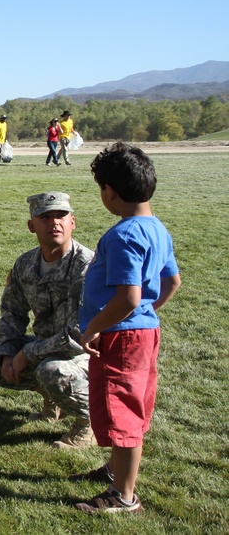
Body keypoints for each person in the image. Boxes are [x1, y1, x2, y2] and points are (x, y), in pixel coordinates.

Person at [70, 143, 181, 514]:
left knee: (123, 412)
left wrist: (94, 329)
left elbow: (129, 298)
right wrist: (146, 314)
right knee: (131, 403)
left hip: (122, 336)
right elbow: (172, 282)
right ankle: (116, 471)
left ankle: (124, 496)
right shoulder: (157, 228)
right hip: (142, 334)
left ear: (110, 192)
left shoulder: (123, 235)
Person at [0, 191, 95, 448]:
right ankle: (54, 401)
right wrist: (8, 354)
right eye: (45, 217)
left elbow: (79, 335)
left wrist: (29, 354)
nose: (55, 223)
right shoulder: (26, 264)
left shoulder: (86, 266)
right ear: (31, 226)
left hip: (87, 355)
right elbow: (12, 312)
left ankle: (91, 421)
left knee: (52, 370)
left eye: (61, 216)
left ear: (73, 222)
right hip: (46, 348)